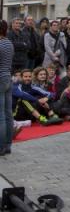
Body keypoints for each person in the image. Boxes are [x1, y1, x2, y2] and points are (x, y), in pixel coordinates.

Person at [0, 20, 14, 156]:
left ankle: (1, 146)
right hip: (8, 77)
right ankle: (8, 144)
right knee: (8, 113)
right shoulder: (9, 43)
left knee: (1, 116)